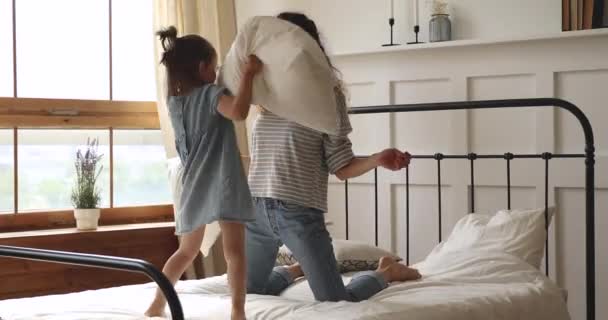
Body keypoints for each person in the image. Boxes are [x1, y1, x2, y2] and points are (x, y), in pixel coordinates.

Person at [245, 12, 421, 303]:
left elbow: (341, 166)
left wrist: (378, 158)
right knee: (246, 293)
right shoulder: (265, 92)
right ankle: (296, 270)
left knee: (336, 301)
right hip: (256, 209)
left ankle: (386, 272)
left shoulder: (326, 95)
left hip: (299, 213)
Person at [145, 26, 262, 320]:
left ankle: (158, 303)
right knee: (234, 252)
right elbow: (238, 112)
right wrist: (247, 75)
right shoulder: (211, 95)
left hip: (193, 183)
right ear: (202, 68)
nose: (219, 70)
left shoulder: (174, 102)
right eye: (215, 65)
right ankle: (237, 311)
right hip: (224, 179)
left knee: (185, 252)